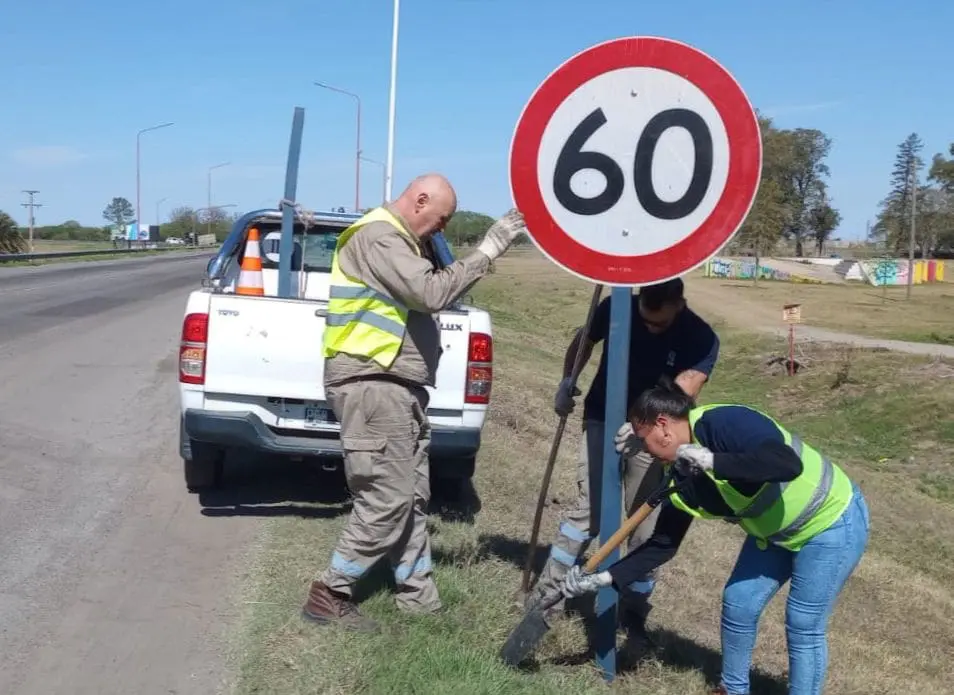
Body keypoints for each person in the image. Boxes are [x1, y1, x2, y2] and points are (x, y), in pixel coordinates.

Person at [303, 173, 526, 631]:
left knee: (412, 497)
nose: (441, 229)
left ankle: (418, 598)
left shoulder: (397, 239)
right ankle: (330, 590)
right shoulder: (380, 236)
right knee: (388, 498)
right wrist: (488, 250)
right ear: (420, 199)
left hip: (395, 386)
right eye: (441, 219)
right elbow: (430, 293)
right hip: (373, 382)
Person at [563, 380, 870, 695]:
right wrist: (603, 578)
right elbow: (662, 546)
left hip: (830, 522)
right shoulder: (681, 477)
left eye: (644, 441)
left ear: (663, 426)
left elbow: (786, 464)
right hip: (775, 533)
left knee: (803, 623)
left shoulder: (725, 422)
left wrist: (713, 461)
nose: (645, 451)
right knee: (739, 603)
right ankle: (733, 690)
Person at [526, 278, 720, 638]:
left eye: (658, 323)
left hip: (653, 433)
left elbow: (684, 393)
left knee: (645, 529)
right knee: (590, 511)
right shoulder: (615, 307)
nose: (649, 327)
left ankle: (632, 612)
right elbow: (584, 341)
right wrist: (566, 381)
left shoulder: (700, 337)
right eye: (645, 318)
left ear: (680, 304)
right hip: (602, 414)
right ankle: (546, 598)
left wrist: (642, 427)